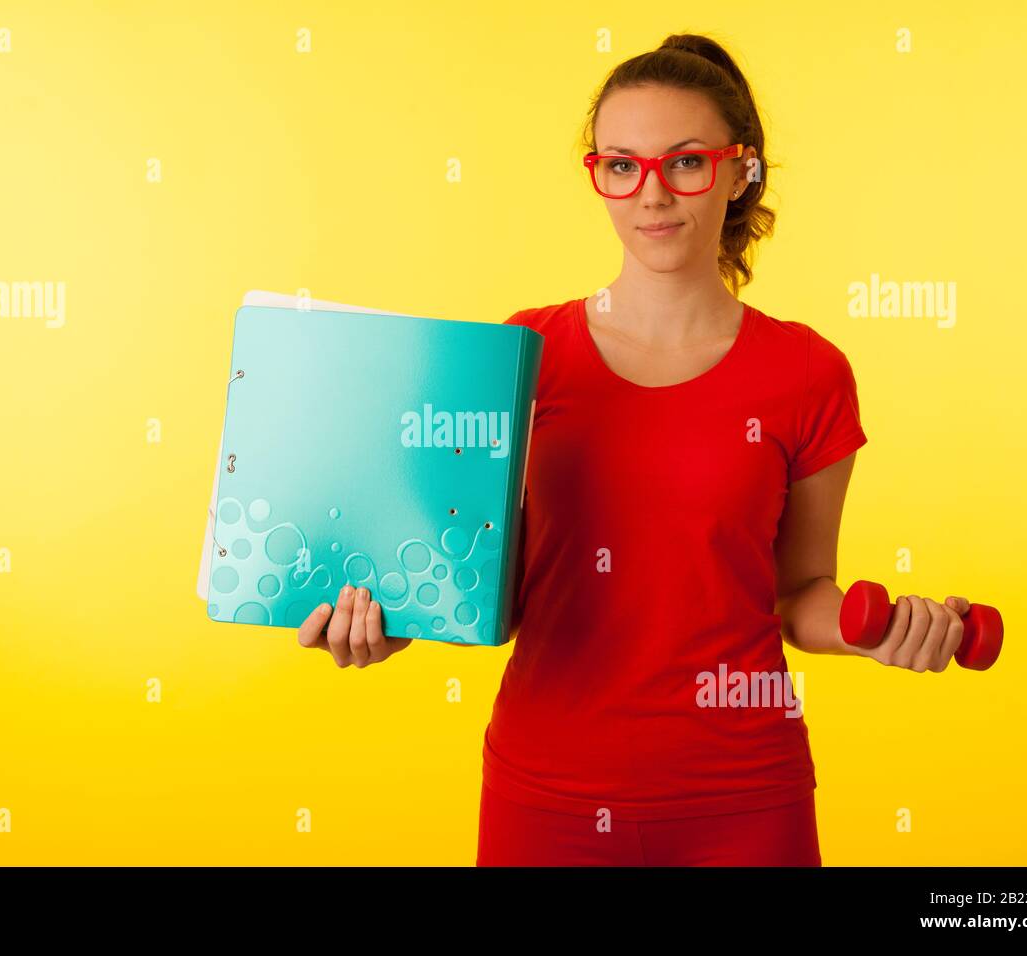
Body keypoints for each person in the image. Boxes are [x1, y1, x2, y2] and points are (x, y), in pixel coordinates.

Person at [295, 31, 974, 867]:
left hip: (743, 796)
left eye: (685, 162)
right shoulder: (524, 353)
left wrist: (890, 631)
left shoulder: (809, 373)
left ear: (739, 171)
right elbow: (484, 589)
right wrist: (392, 619)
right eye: (622, 165)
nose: (652, 194)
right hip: (546, 791)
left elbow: (798, 593)